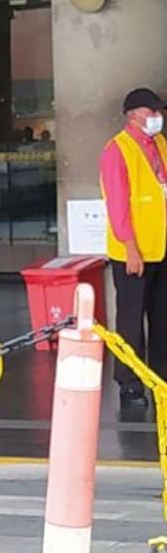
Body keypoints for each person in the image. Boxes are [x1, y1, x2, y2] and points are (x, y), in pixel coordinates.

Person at [100, 87, 167, 408]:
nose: (158, 117)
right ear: (132, 115)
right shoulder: (118, 150)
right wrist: (130, 247)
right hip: (134, 249)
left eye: (159, 112)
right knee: (130, 317)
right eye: (151, 112)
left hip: (161, 245)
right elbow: (117, 205)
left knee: (161, 315)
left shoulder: (161, 145)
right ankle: (129, 381)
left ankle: (160, 375)